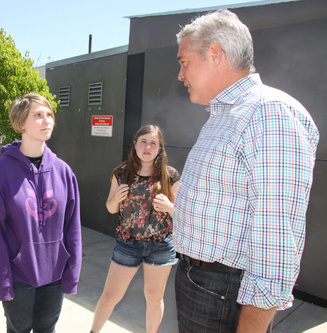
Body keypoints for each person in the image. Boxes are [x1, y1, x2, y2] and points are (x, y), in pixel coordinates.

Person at [173, 9, 319, 332]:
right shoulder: (225, 114)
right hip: (202, 285)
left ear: (215, 54)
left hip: (223, 294)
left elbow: (275, 245)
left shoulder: (268, 113)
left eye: (184, 63)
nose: (180, 76)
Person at [0, 92, 82, 333]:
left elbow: (73, 227)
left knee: (48, 330)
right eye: (38, 115)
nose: (47, 120)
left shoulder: (64, 172)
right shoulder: (0, 172)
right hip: (18, 276)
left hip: (55, 276)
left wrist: (72, 271)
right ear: (21, 123)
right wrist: (2, 283)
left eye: (49, 114)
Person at [91, 125, 180, 333]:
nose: (147, 147)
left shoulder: (171, 176)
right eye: (143, 141)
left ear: (160, 148)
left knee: (154, 298)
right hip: (127, 244)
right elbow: (111, 208)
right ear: (135, 145)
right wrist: (116, 199)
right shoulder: (122, 173)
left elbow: (182, 215)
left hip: (160, 246)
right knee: (110, 296)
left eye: (153, 143)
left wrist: (169, 207)